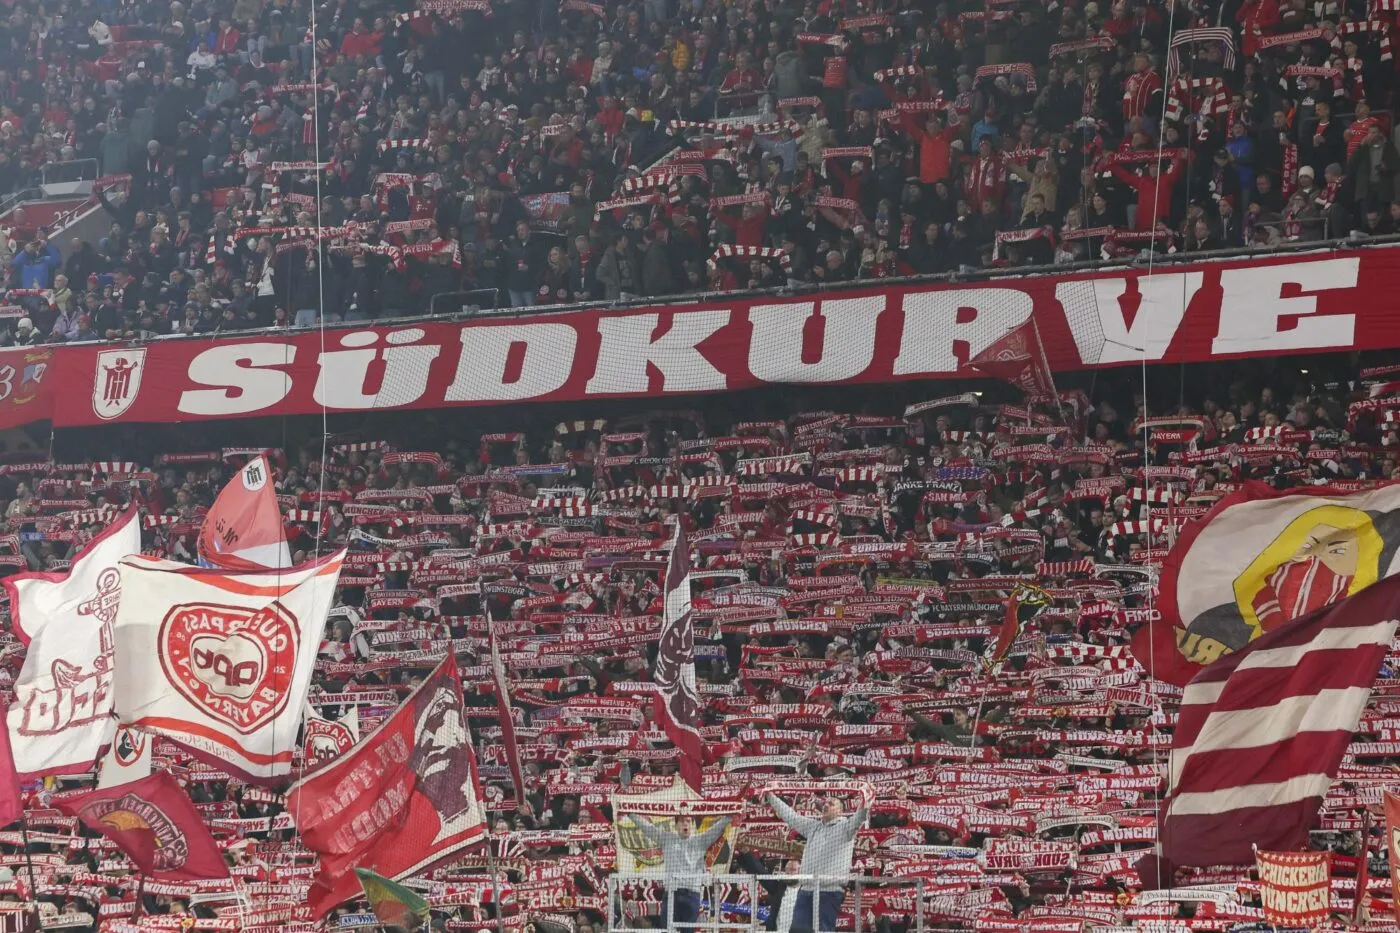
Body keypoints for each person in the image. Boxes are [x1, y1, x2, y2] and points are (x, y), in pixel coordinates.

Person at [765, 792, 868, 933]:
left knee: (822, 930)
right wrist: (770, 796)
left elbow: (860, 817)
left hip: (829, 892)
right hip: (806, 890)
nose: (826, 805)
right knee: (797, 931)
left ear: (840, 811)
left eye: (831, 804)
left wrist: (866, 801)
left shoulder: (846, 828)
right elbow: (791, 816)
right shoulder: (813, 826)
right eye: (825, 802)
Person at [627, 811, 732, 929]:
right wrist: (630, 814)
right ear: (676, 825)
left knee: (687, 931)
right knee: (667, 930)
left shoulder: (701, 840)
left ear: (692, 825)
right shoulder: (666, 838)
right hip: (671, 894)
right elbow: (648, 828)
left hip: (692, 895)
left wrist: (730, 816)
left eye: (688, 821)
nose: (685, 824)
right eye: (682, 821)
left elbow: (717, 829)